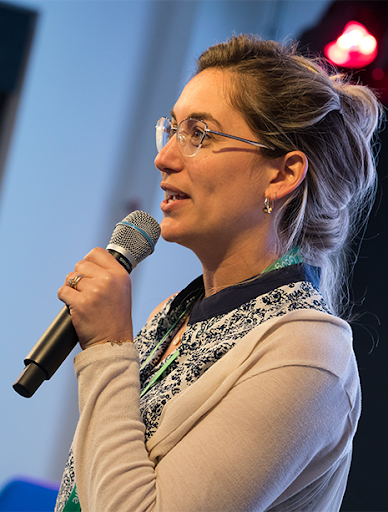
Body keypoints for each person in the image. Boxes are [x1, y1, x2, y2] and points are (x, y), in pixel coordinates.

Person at [54, 35, 382, 512]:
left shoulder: (309, 355)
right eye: (172, 129)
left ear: (282, 175)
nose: (164, 158)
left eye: (200, 134)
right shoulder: (176, 315)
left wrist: (107, 349)